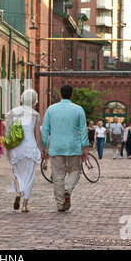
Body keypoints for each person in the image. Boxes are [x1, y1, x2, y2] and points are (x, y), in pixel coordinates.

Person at [41, 84, 89, 212]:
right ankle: (68, 188)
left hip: (56, 146)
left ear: (60, 95)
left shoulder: (51, 109)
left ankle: (60, 204)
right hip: (73, 145)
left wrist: (44, 145)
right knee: (75, 171)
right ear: (71, 95)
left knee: (58, 176)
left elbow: (45, 128)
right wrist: (85, 146)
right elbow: (83, 130)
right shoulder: (78, 109)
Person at [5, 89, 42, 213]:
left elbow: (8, 131)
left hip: (17, 147)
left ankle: (17, 193)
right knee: (29, 176)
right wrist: (42, 149)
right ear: (34, 100)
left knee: (17, 174)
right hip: (30, 147)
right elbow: (37, 134)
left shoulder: (14, 112)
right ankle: (25, 205)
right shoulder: (35, 114)